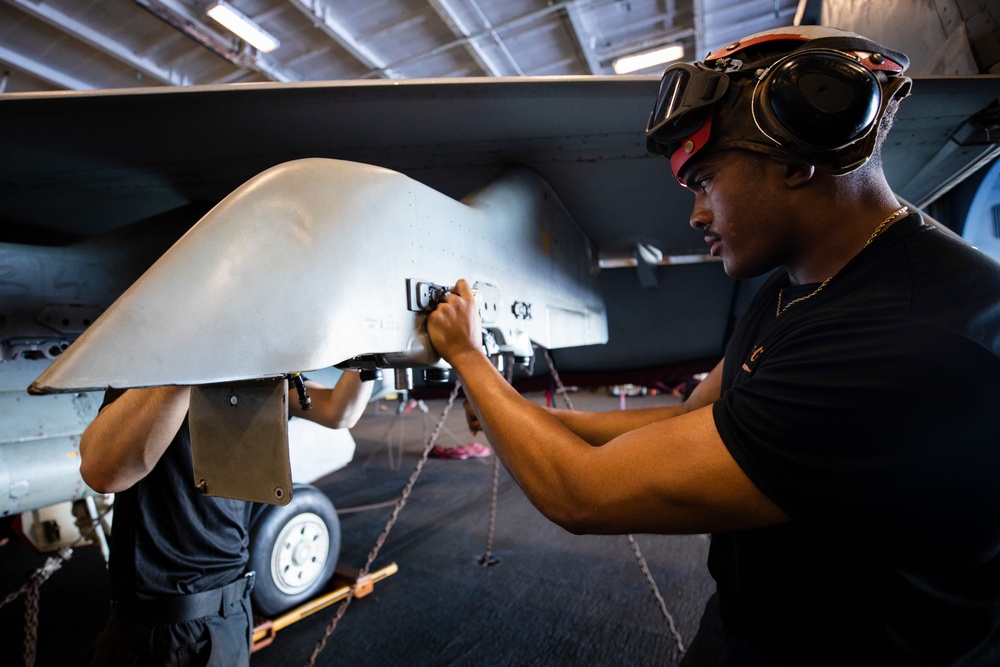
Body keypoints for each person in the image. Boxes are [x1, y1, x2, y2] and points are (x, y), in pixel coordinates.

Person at [427, 26, 1000, 665]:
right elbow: (687, 419)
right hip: (750, 632)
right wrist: (526, 417)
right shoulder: (804, 282)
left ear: (795, 159)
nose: (698, 215)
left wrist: (469, 358)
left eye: (706, 180)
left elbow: (580, 494)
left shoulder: (907, 335)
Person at [80, 371, 373, 666]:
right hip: (164, 624)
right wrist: (196, 357)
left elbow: (338, 410)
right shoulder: (155, 366)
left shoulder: (256, 366)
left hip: (232, 611)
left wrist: (373, 353)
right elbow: (102, 473)